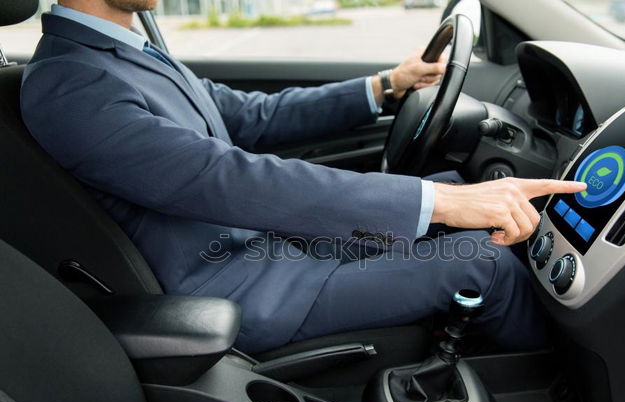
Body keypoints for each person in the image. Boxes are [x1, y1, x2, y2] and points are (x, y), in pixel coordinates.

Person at [20, 0, 586, 354]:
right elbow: (224, 179)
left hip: (268, 252)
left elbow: (250, 118)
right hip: (239, 286)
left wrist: (389, 84)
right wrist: (441, 203)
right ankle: (562, 394)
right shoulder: (71, 83)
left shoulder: (125, 54)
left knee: (448, 185)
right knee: (480, 260)